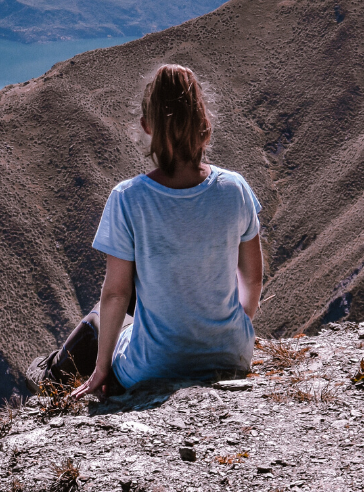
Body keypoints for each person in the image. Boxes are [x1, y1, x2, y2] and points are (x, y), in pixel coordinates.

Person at [27, 64, 263, 398]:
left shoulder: (128, 197)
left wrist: (102, 369)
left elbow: (116, 294)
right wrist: (234, 332)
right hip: (233, 355)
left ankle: (49, 377)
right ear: (204, 126)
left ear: (146, 126)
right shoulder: (235, 188)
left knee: (99, 316)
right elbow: (252, 280)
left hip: (153, 367)